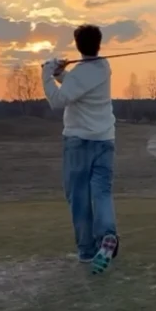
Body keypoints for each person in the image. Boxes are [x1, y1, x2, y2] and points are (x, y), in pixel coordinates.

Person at [42, 24, 119, 275]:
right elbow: (77, 88)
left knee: (79, 198)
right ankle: (107, 236)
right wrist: (61, 75)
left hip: (78, 143)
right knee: (102, 193)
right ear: (99, 43)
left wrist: (47, 74)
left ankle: (87, 250)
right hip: (105, 141)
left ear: (77, 46)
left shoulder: (79, 75)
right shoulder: (104, 67)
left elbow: (57, 101)